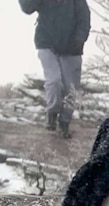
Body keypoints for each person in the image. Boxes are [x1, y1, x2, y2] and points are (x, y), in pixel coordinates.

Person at [19, 0, 91, 139]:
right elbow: (27, 8)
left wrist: (78, 41)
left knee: (71, 89)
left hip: (72, 48)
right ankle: (51, 114)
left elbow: (84, 20)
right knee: (54, 81)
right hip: (46, 44)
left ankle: (64, 123)